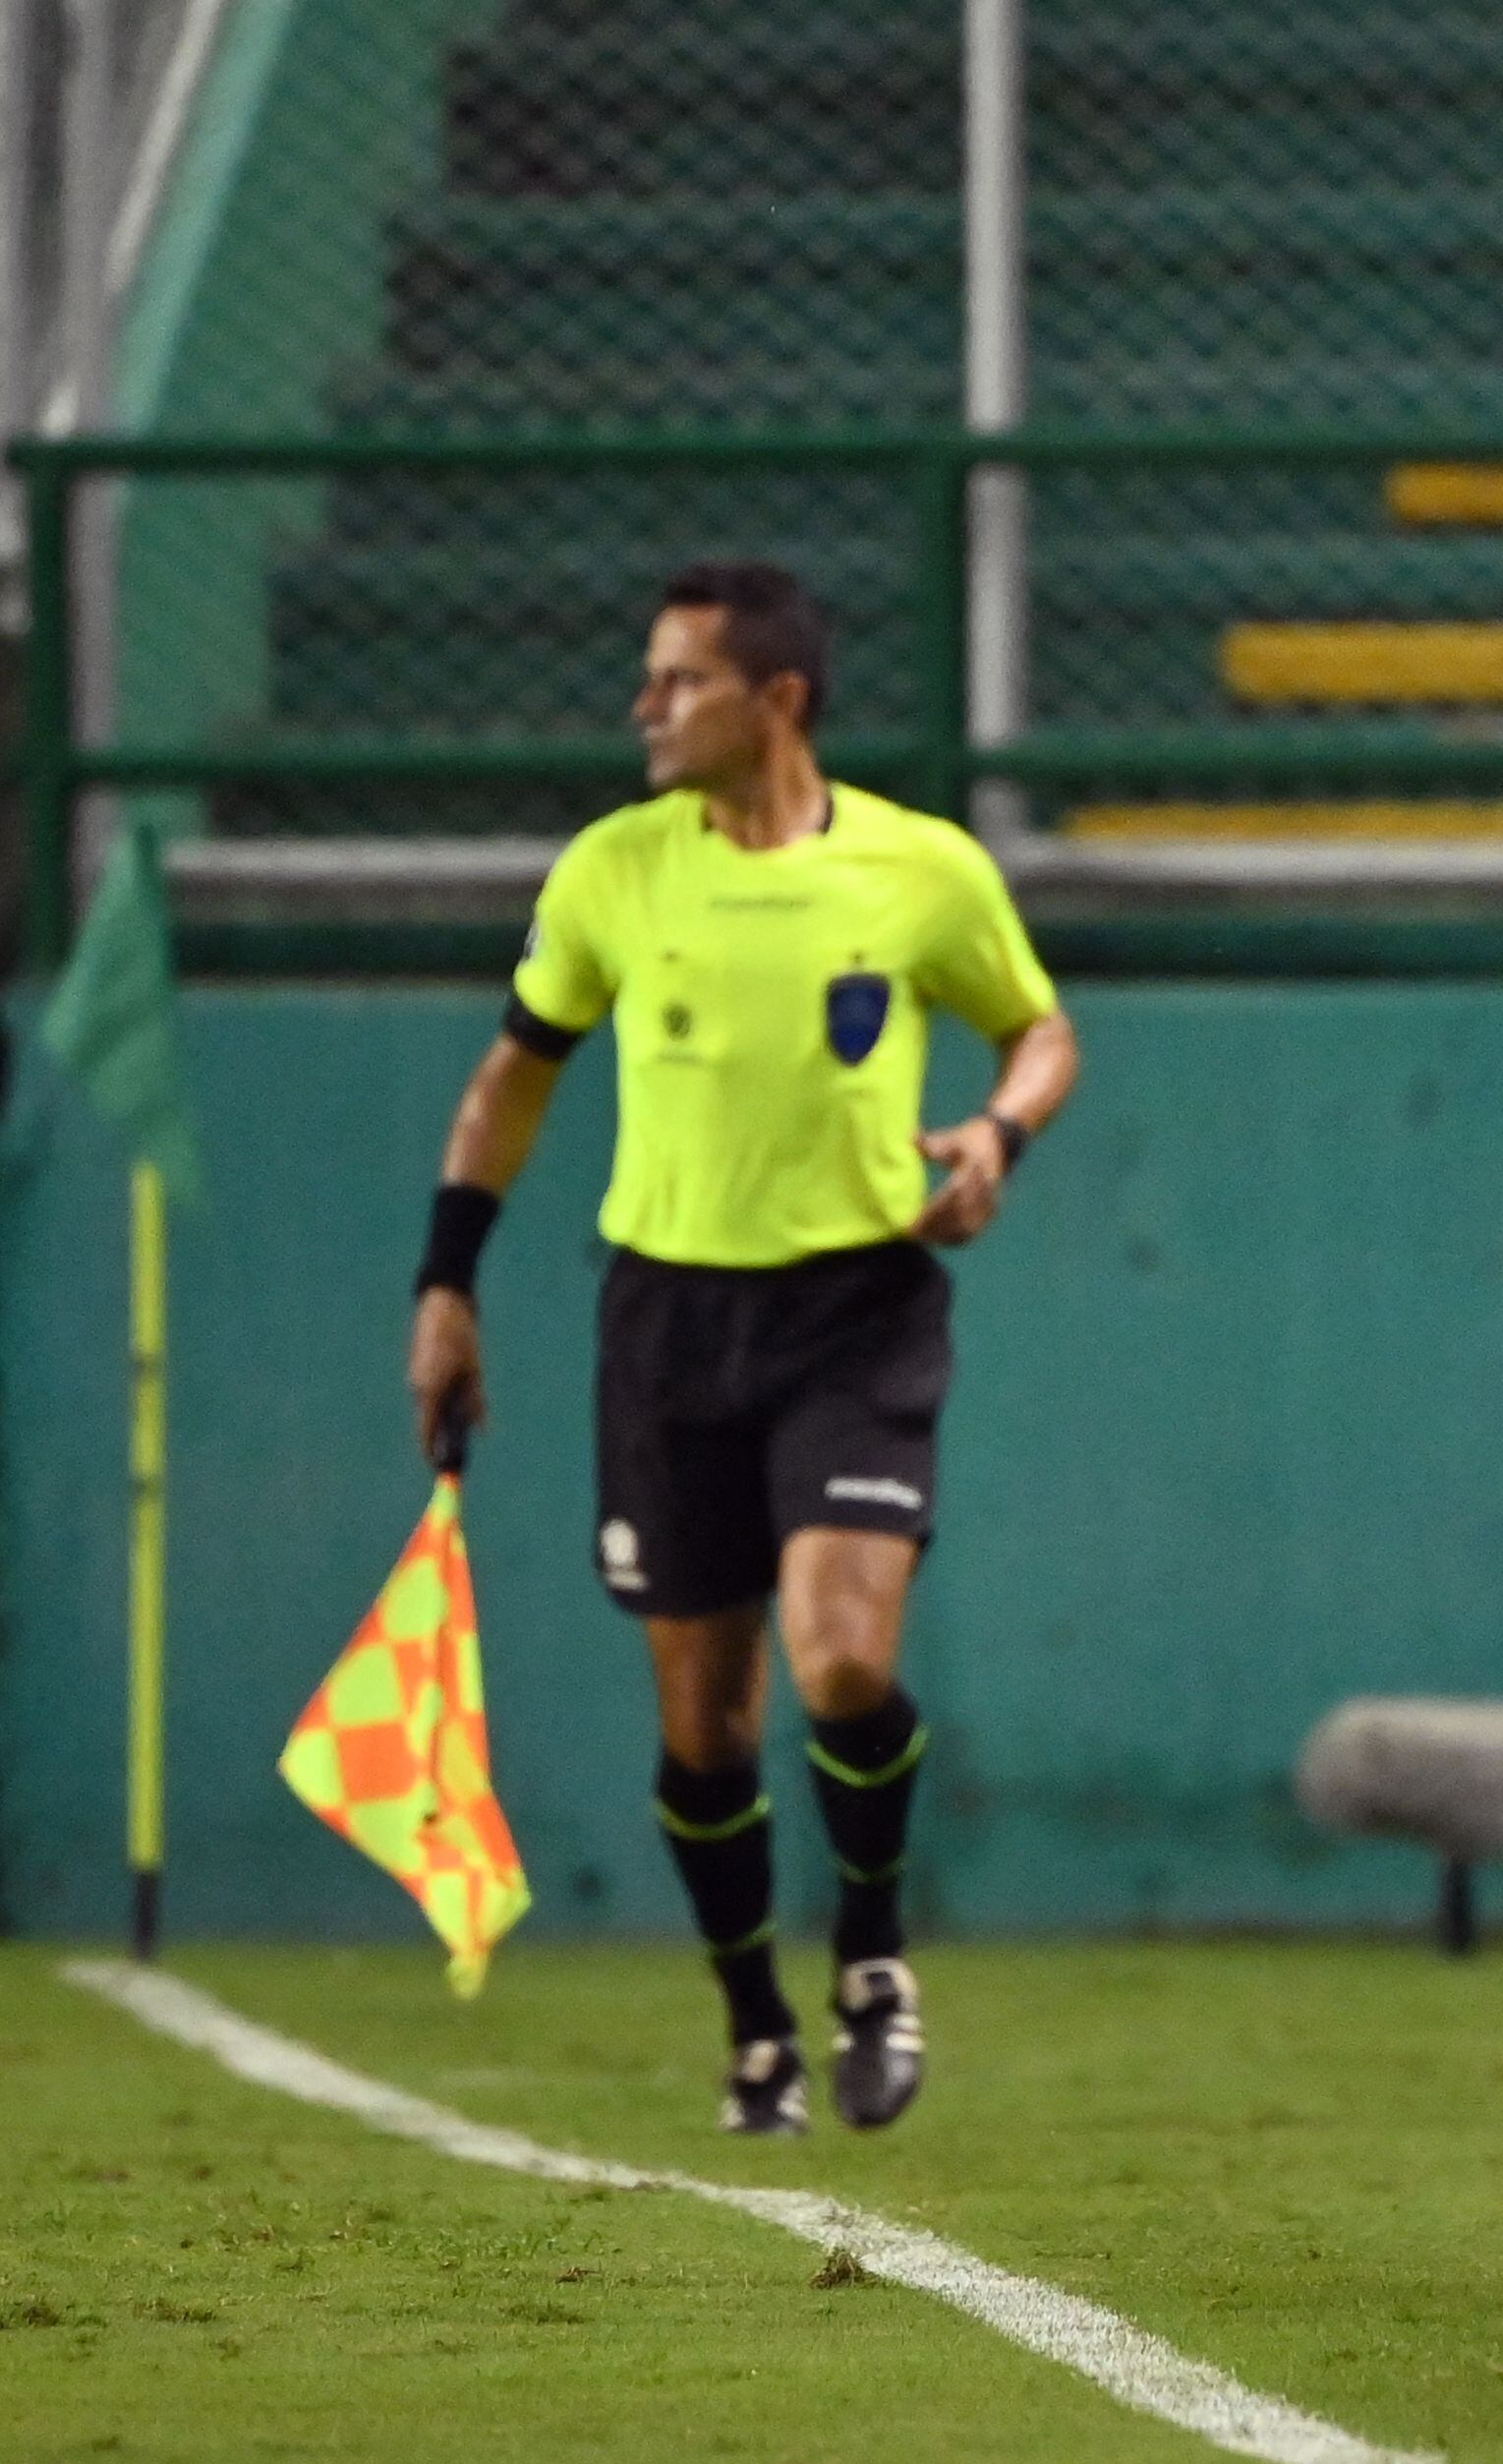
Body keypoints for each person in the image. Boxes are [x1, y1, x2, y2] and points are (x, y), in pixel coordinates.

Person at [408, 560, 1079, 2139]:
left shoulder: (922, 872)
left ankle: (872, 1961)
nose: (647, 709)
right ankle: (755, 2030)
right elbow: (512, 1082)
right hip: (668, 1320)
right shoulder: (611, 875)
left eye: (680, 681)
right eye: (648, 679)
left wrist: (997, 1133)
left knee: (841, 1657)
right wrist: (449, 1283)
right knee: (705, 1729)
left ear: (777, 699)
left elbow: (1039, 1030)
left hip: (856, 1306)